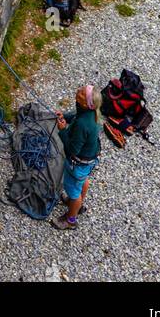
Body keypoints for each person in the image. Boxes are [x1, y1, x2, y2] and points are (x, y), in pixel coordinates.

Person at [52, 83, 101, 232]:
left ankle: (70, 219)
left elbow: (72, 150)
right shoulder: (92, 113)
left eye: (81, 93)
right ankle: (77, 205)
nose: (78, 91)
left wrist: (62, 131)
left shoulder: (82, 125)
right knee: (83, 181)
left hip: (77, 164)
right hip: (88, 162)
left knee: (73, 191)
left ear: (86, 103)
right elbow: (75, 115)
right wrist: (64, 117)